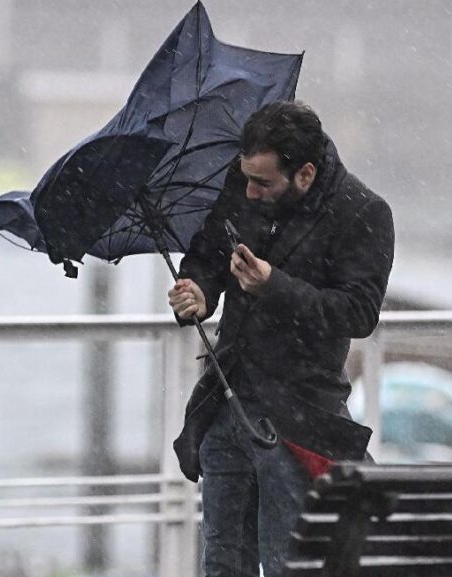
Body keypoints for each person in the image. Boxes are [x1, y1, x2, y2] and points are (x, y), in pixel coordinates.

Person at [166, 101, 395, 577]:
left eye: (263, 183)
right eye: (245, 177)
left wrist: (274, 285)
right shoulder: (244, 183)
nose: (249, 192)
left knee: (289, 563)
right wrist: (199, 291)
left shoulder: (362, 212)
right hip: (226, 403)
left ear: (305, 174)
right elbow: (208, 251)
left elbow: (357, 312)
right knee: (222, 563)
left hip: (299, 416)